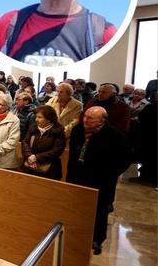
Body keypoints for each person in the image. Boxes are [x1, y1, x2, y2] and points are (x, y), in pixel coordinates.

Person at [66, 107, 130, 255]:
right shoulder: (77, 130)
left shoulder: (115, 136)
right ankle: (78, 233)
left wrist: (111, 174)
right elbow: (72, 156)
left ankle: (97, 239)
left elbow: (124, 160)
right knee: (77, 208)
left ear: (102, 120)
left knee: (99, 211)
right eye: (85, 117)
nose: (85, 120)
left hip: (101, 180)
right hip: (77, 176)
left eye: (90, 119)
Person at [21, 105, 66, 180]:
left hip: (49, 170)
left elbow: (57, 150)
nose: (36, 119)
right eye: (36, 117)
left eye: (39, 117)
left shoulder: (58, 131)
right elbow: (25, 142)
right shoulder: (33, 127)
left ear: (49, 119)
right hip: (30, 166)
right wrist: (29, 156)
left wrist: (36, 158)